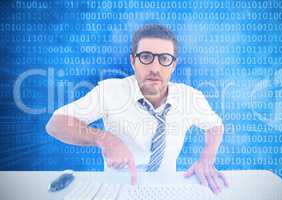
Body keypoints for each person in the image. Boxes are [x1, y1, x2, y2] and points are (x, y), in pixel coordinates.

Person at [46, 24, 228, 194]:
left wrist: (207, 158)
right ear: (133, 61)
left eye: (164, 59)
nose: (155, 68)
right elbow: (56, 124)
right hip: (116, 188)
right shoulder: (110, 91)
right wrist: (104, 138)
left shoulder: (190, 97)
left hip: (168, 188)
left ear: (173, 65)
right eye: (146, 57)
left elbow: (215, 125)